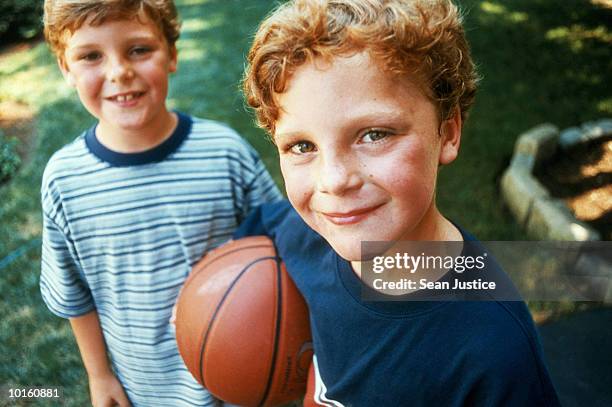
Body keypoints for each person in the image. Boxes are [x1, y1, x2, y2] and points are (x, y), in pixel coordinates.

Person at [236, 0, 561, 405]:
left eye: (374, 134)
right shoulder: (305, 235)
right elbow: (262, 224)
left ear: (449, 131)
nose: (334, 181)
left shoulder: (492, 348)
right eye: (302, 145)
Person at [39, 1, 281, 406]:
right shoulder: (64, 181)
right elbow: (73, 294)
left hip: (242, 380)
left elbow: (284, 241)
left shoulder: (224, 153)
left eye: (138, 50)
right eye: (90, 56)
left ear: (171, 55)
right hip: (146, 389)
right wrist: (99, 376)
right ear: (66, 69)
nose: (119, 72)